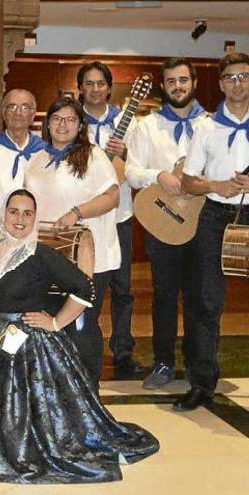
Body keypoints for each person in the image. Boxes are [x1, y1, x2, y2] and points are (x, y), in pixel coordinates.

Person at [0, 189, 159, 484]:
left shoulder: (41, 255)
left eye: (27, 213)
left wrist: (56, 322)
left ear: (35, 218)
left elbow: (84, 288)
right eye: (13, 212)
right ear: (3, 215)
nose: (19, 219)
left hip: (26, 346)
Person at [24, 97, 120, 390]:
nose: (62, 125)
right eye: (56, 119)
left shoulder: (92, 155)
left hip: (90, 256)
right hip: (49, 258)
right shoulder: (38, 158)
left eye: (70, 120)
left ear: (80, 126)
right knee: (52, 322)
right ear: (47, 123)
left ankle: (88, 392)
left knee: (82, 324)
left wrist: (76, 213)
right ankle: (58, 392)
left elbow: (112, 196)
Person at [125, 57, 207, 390]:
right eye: (171, 81)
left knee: (200, 297)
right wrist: (159, 176)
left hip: (203, 223)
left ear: (195, 83)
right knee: (164, 294)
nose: (178, 86)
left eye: (183, 80)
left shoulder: (213, 125)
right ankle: (162, 363)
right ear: (164, 86)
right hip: (163, 220)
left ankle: (197, 364)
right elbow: (131, 170)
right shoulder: (146, 126)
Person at [179, 52, 249, 411]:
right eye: (231, 78)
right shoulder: (205, 127)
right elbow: (189, 182)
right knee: (205, 301)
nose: (238, 83)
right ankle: (202, 382)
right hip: (216, 216)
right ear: (221, 84)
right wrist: (217, 186)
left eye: (244, 76)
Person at [78, 62, 141, 377]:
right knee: (85, 283)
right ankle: (82, 339)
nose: (94, 89)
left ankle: (123, 348)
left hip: (120, 215)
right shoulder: (72, 121)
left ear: (109, 87)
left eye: (100, 83)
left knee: (122, 287)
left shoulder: (128, 123)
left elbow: (142, 170)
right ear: (81, 88)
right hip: (86, 219)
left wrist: (126, 154)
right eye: (88, 83)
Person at [0, 89, 45, 222]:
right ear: (3, 114)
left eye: (24, 107)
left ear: (33, 115)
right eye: (12, 107)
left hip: (36, 226)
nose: (18, 112)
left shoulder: (45, 152)